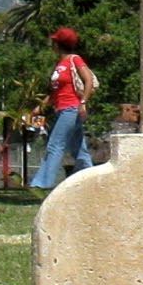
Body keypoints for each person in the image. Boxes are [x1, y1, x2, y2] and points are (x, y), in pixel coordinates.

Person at [30, 27, 98, 191]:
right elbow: (56, 92)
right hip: (61, 108)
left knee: (55, 144)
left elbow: (88, 79)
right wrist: (40, 107)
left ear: (58, 44)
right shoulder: (60, 64)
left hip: (71, 108)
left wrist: (83, 102)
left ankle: (41, 183)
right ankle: (91, 179)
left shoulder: (75, 60)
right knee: (78, 147)